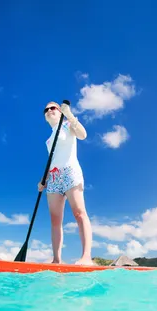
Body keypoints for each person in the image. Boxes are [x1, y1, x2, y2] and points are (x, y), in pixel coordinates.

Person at [37, 101, 93, 265]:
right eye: (46, 109)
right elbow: (52, 161)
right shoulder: (48, 141)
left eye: (52, 108)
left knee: (79, 213)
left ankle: (86, 256)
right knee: (55, 220)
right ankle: (56, 260)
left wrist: (69, 114)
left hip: (70, 171)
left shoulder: (68, 125)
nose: (49, 110)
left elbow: (83, 135)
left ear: (60, 111)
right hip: (54, 177)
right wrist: (43, 180)